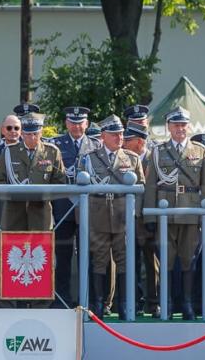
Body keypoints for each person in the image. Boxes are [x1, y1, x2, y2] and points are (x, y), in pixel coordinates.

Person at [143, 106, 205, 320]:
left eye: (183, 125)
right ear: (169, 127)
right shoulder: (159, 151)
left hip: (191, 213)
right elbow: (151, 185)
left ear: (188, 126)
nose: (180, 128)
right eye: (176, 125)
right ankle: (168, 303)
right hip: (166, 213)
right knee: (166, 261)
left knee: (188, 260)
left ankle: (187, 303)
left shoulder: (199, 151)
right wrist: (151, 216)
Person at [80, 115, 145, 319]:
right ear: (103, 136)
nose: (119, 137)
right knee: (99, 260)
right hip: (98, 214)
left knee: (124, 260)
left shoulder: (131, 158)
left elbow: (141, 187)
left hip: (122, 216)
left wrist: (136, 215)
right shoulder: (89, 158)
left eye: (121, 134)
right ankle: (98, 303)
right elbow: (80, 187)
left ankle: (123, 304)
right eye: (114, 134)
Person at [51, 106, 98, 306]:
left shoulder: (96, 144)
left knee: (89, 256)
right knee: (62, 256)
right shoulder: (55, 144)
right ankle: (62, 298)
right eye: (73, 122)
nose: (77, 126)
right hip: (63, 207)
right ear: (67, 123)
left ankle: (87, 299)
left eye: (81, 122)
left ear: (86, 124)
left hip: (88, 209)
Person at [0, 113, 67, 230]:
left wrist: (42, 195)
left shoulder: (52, 152)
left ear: (41, 132)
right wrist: (14, 194)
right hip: (13, 215)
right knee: (13, 248)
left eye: (35, 134)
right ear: (22, 133)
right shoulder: (9, 152)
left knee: (41, 248)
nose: (32, 138)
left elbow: (60, 183)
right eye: (27, 134)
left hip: (41, 215)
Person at [123, 123, 158, 314]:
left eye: (127, 140)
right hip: (128, 219)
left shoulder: (154, 158)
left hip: (148, 218)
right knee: (130, 261)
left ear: (139, 141)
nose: (123, 143)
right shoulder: (125, 158)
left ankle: (153, 302)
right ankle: (134, 301)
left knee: (151, 262)